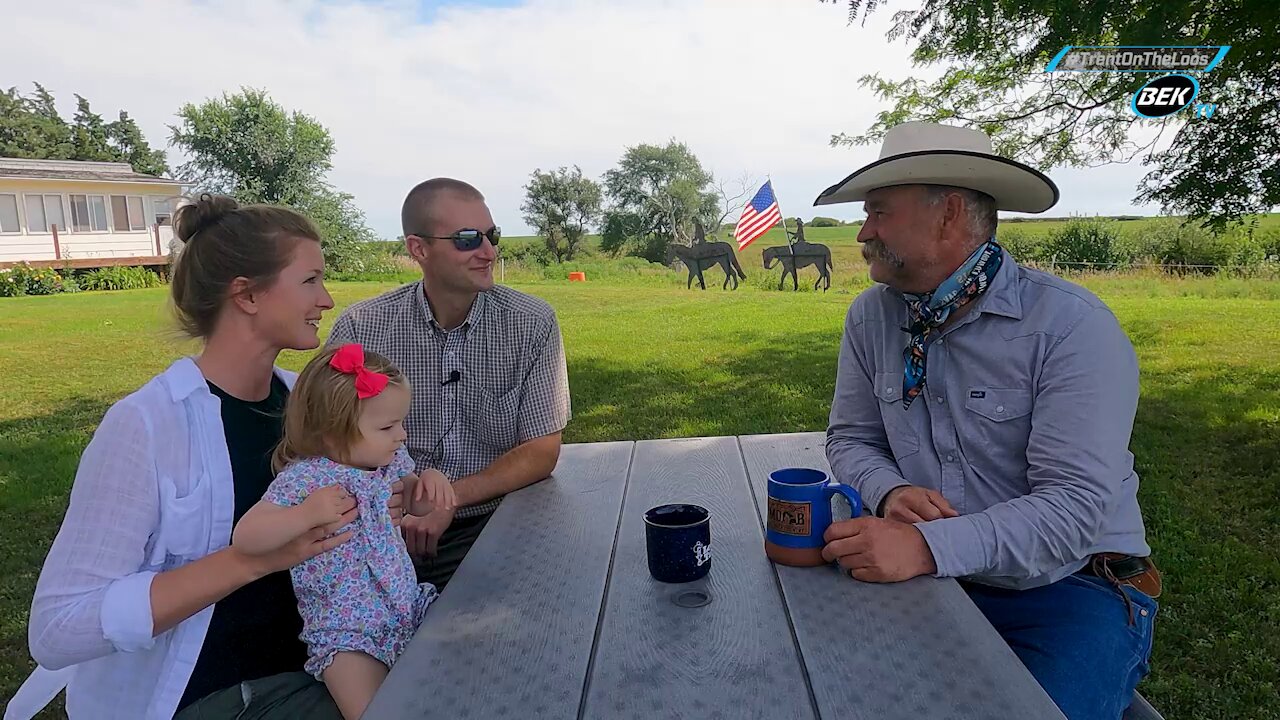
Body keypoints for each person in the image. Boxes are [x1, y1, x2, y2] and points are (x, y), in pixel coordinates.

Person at [814, 122, 1161, 720]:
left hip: (1073, 586)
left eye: (878, 212)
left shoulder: (1071, 327)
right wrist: (890, 490)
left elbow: (1073, 512)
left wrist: (924, 545)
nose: (864, 233)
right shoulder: (872, 317)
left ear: (948, 213)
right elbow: (851, 438)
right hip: (935, 575)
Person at [15, 194, 402, 719]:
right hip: (216, 693)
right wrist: (248, 561)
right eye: (310, 280)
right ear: (246, 295)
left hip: (337, 654)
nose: (328, 300)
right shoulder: (147, 425)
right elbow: (59, 628)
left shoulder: (306, 405)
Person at [328, 178, 571, 590]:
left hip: (498, 517)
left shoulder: (532, 322)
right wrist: (401, 504)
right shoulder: (362, 329)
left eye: (491, 236)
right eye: (467, 239)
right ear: (418, 249)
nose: (489, 252)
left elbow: (541, 450)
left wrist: (447, 499)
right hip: (380, 528)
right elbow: (326, 444)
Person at [231, 343, 455, 720]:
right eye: (387, 426)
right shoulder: (305, 479)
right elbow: (247, 538)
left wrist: (429, 484)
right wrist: (304, 515)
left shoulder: (387, 462)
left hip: (403, 607)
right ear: (334, 434)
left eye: (401, 422)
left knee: (444, 683)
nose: (401, 435)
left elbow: (413, 501)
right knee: (371, 710)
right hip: (344, 629)